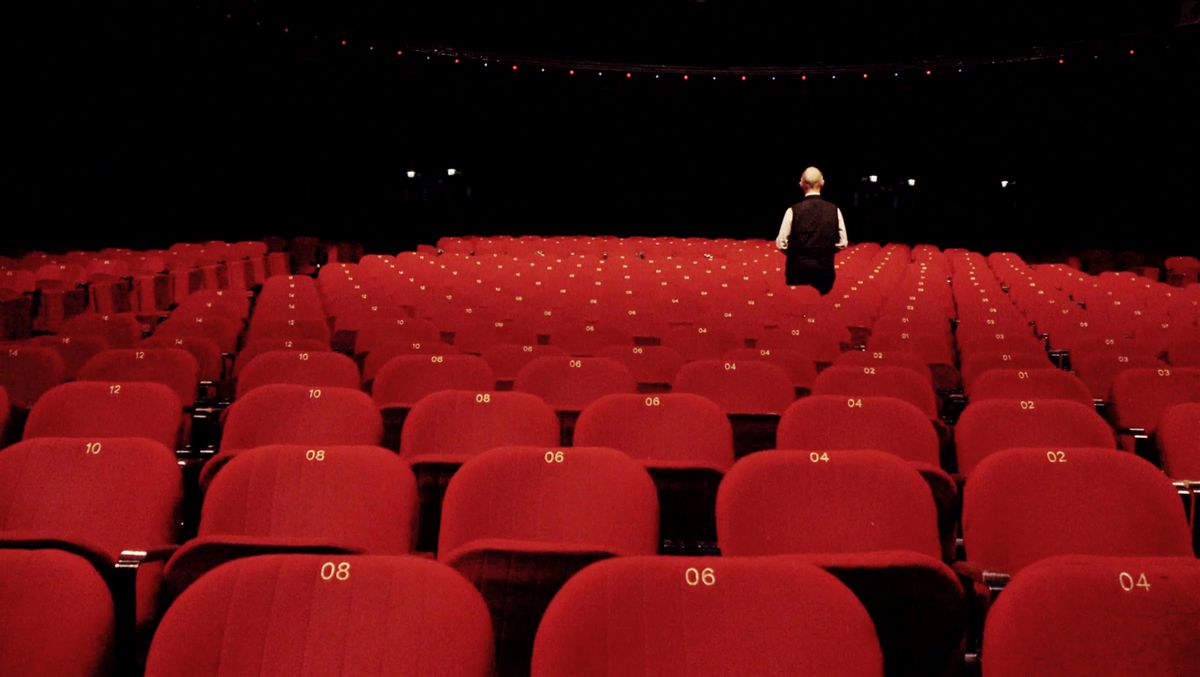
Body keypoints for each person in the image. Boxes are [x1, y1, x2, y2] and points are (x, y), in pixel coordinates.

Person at [775, 167, 848, 294]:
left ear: (801, 184)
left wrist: (796, 255)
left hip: (797, 270)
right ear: (822, 183)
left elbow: (781, 243)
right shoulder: (834, 210)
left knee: (796, 311)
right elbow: (843, 243)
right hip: (824, 271)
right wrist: (827, 252)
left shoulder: (792, 211)